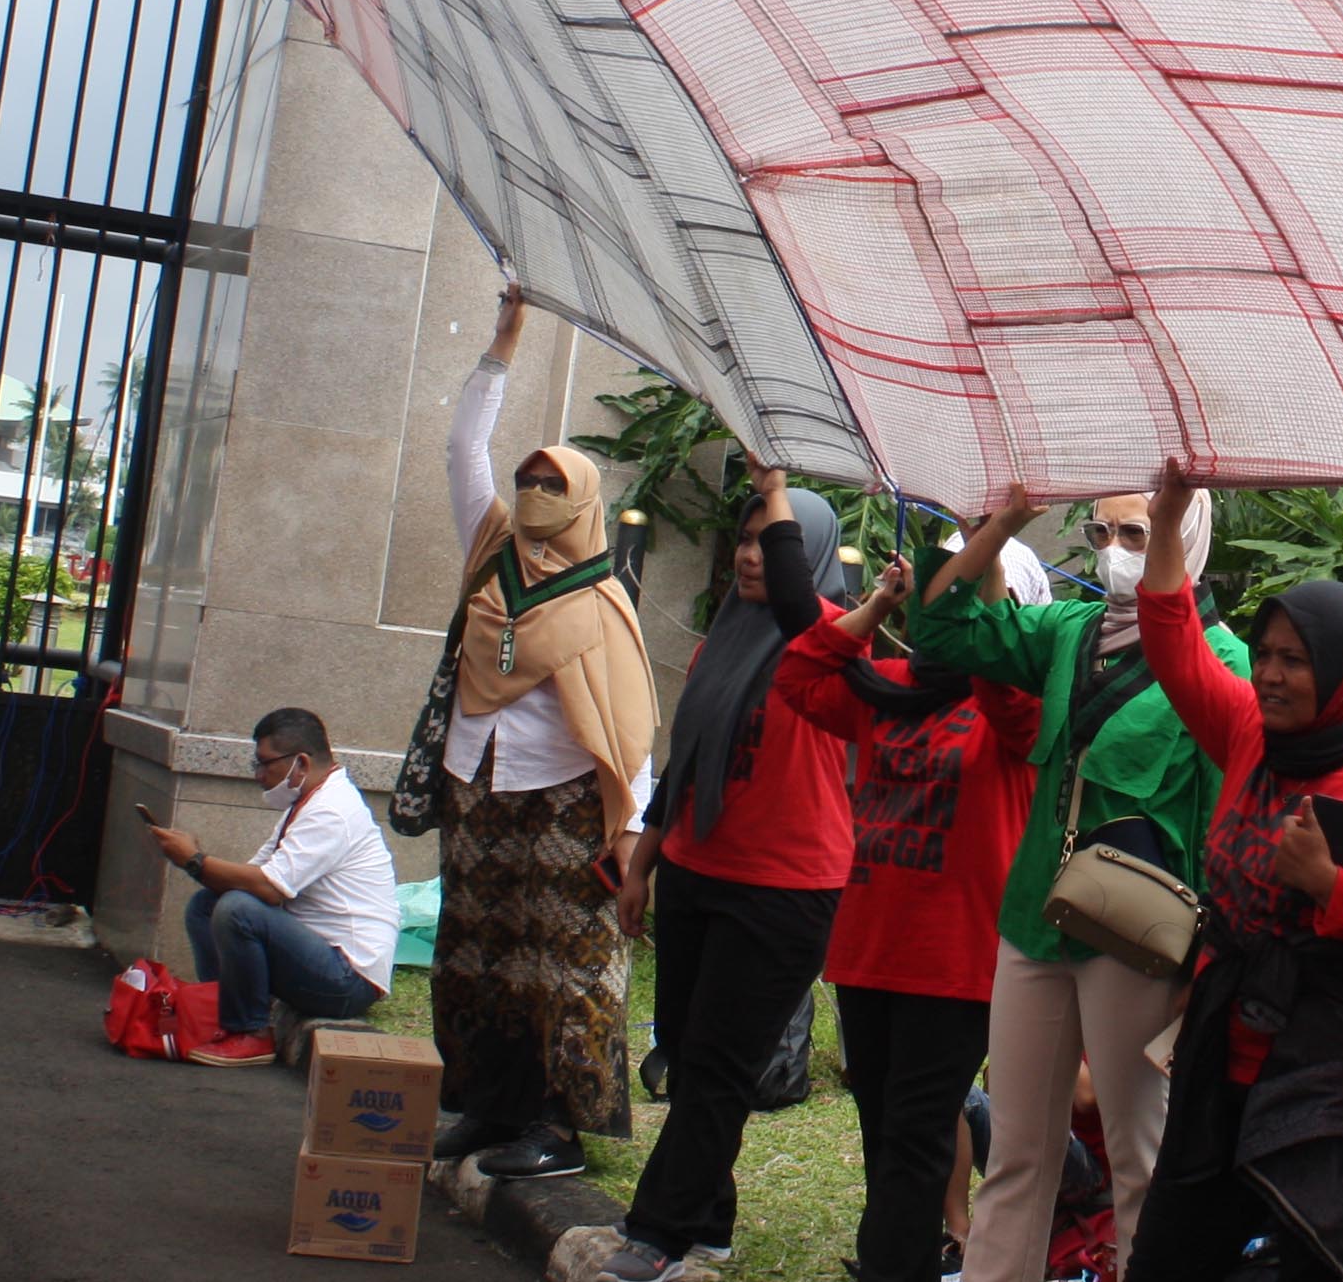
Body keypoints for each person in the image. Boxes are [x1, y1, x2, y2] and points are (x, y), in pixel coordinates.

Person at [911, 485, 1243, 1282]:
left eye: (1141, 530)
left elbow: (1223, 829)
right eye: (1104, 530)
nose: (1117, 549)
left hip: (1138, 934)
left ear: (1184, 534)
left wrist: (1204, 965)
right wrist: (998, 527)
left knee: (1140, 1153)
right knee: (1021, 1150)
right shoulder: (1071, 630)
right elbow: (940, 626)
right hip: (1036, 912)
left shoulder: (1222, 660)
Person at [1131, 465, 1343, 1282]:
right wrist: (1165, 525)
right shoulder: (1253, 733)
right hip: (1220, 1055)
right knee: (1168, 1257)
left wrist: (1331, 887)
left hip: (1328, 1084)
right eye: (1265, 655)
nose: (1269, 675)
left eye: (1296, 661)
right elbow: (1175, 647)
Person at [605, 469, 857, 1282]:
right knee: (683, 1049)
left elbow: (794, 596)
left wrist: (773, 479)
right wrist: (642, 866)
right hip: (694, 869)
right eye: (742, 538)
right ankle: (708, 1221)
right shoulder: (724, 638)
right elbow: (685, 764)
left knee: (717, 1067)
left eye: (766, 539)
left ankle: (660, 1234)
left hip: (785, 890)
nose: (750, 556)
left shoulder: (829, 634)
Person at [431, 284, 657, 1178]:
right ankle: (490, 1108)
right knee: (476, 953)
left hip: (564, 805)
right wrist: (504, 341)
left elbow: (629, 724)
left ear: (584, 501)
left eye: (550, 486)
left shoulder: (603, 599)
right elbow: (461, 449)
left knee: (560, 963)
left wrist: (630, 827)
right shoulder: (490, 550)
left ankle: (558, 1127)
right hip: (475, 787)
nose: (529, 495)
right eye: (526, 481)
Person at [777, 542, 1043, 1282]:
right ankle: (905, 1258)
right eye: (938, 589)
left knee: (916, 1136)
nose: (944, 605)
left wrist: (984, 564)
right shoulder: (890, 684)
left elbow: (1003, 678)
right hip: (870, 948)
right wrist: (880, 607)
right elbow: (799, 675)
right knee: (881, 1134)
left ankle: (891, 1265)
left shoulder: (1017, 705)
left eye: (964, 593)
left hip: (955, 961)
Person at [145, 707, 398, 1068]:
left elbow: (268, 890)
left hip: (347, 980)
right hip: (319, 958)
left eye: (265, 764)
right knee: (207, 904)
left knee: (236, 909)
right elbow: (252, 875)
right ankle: (223, 1014)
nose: (259, 776)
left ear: (301, 763)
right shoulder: (307, 802)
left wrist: (195, 860)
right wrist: (197, 861)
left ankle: (250, 1033)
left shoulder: (332, 811)